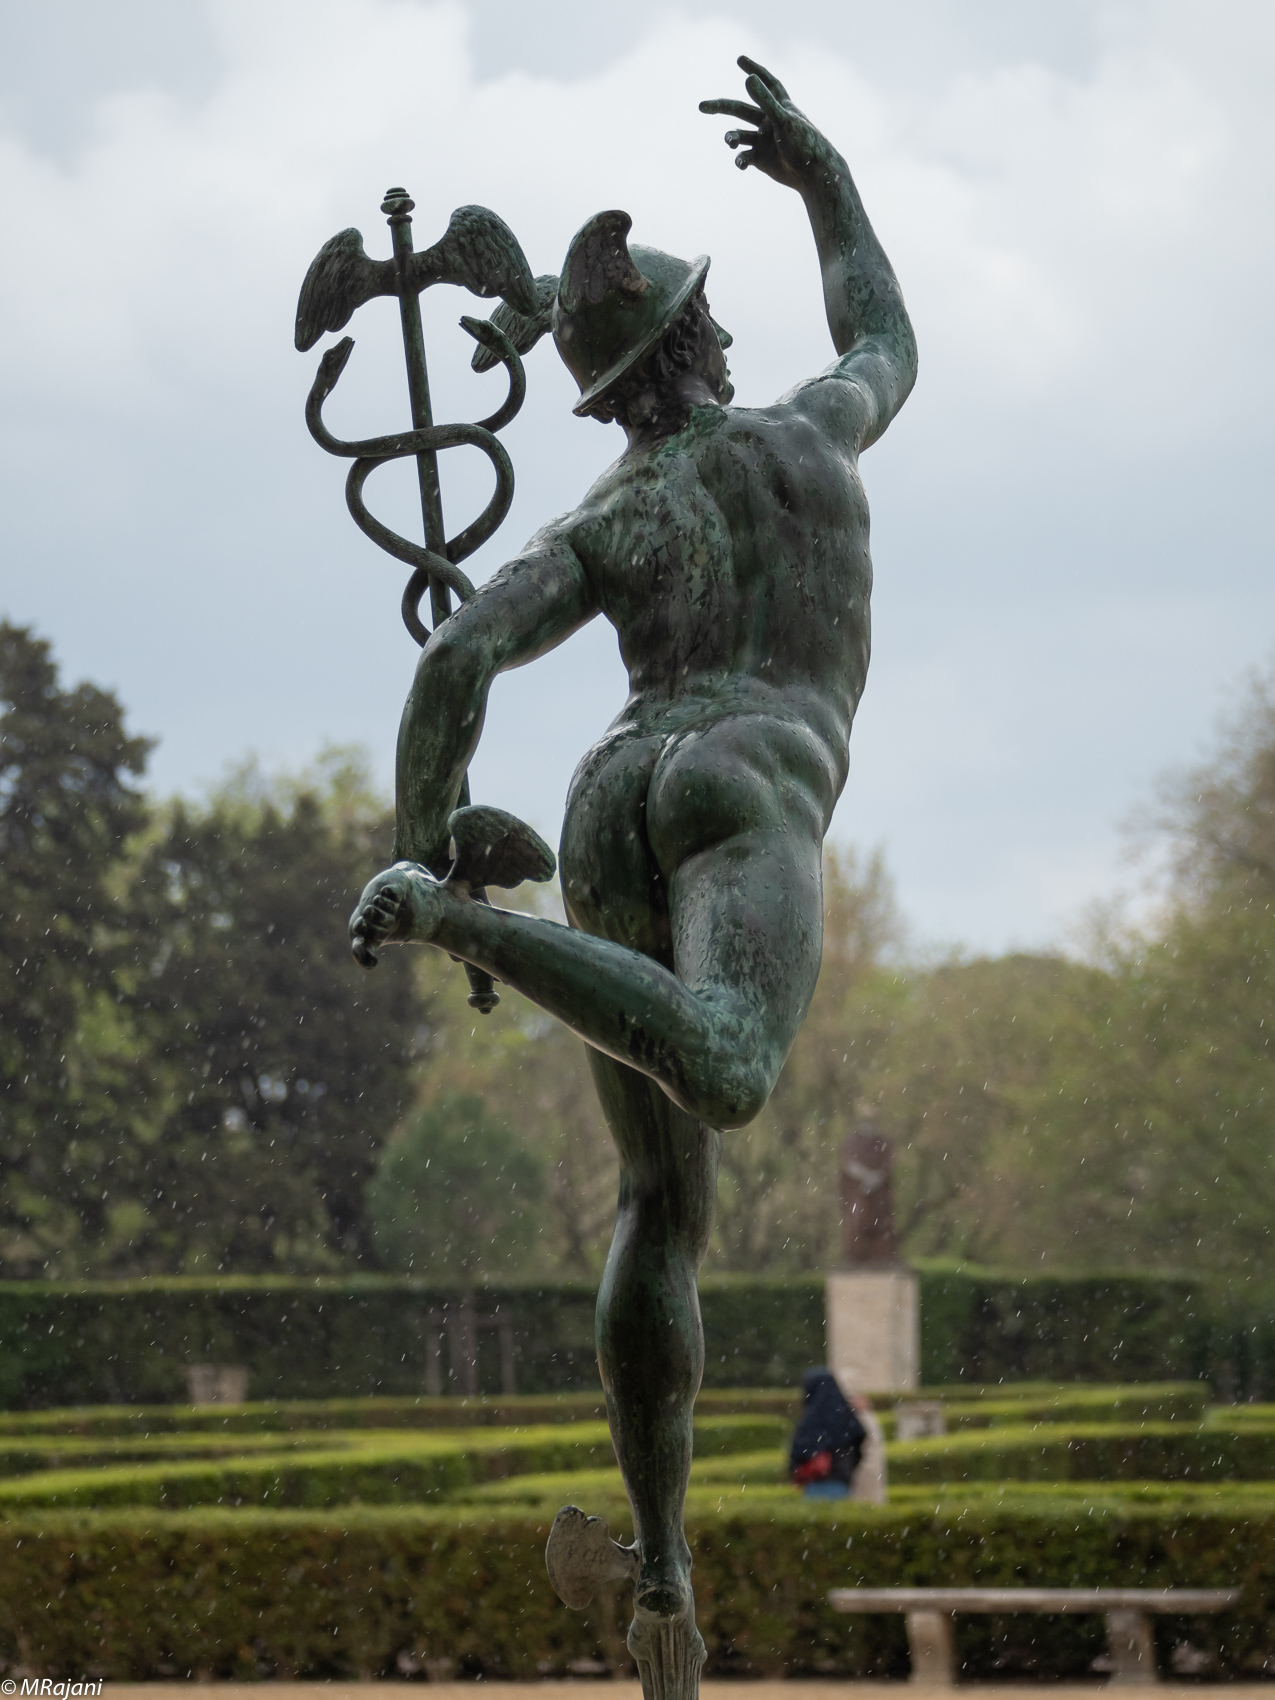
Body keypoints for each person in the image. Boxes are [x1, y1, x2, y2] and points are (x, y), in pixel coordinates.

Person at [348, 54, 916, 1698]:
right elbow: (883, 334)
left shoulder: (610, 516)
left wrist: (425, 819)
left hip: (612, 787)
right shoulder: (814, 433)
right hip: (749, 775)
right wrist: (822, 180)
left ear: (606, 400)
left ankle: (663, 1571)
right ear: (705, 337)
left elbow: (454, 659)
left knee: (660, 1201)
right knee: (725, 1069)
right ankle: (468, 921)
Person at [790, 1368, 867, 1498]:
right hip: (842, 1479)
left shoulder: (812, 1418)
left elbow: (799, 1451)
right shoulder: (845, 1415)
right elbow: (858, 1438)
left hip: (817, 1480)